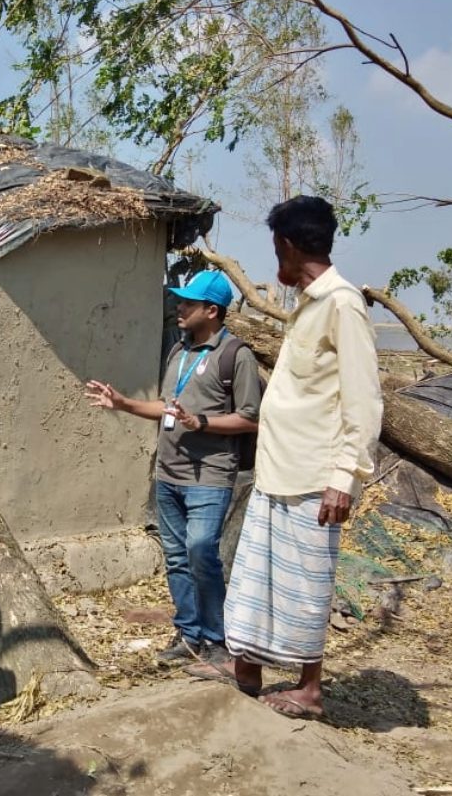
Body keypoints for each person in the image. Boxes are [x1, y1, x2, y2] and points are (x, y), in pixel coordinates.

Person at [186, 196, 383, 720]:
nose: (277, 259)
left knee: (304, 582)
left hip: (314, 474)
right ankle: (246, 666)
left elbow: (363, 399)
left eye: (277, 248)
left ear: (290, 247)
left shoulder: (342, 304)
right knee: (257, 575)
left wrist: (346, 476)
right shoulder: (310, 304)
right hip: (279, 470)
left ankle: (309, 689)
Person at [86, 270, 262, 664]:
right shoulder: (178, 352)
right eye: (179, 301)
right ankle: (188, 636)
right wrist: (125, 403)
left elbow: (250, 418)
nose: (179, 308)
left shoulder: (237, 356)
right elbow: (167, 406)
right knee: (178, 558)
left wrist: (201, 422)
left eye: (187, 303)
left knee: (201, 550)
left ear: (211, 310)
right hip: (169, 475)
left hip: (210, 476)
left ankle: (217, 641)